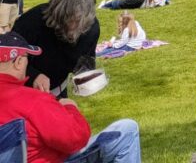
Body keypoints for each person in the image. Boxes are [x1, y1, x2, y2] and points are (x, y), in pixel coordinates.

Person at [0, 31, 143, 162]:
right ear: (18, 62)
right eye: (27, 58)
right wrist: (70, 107)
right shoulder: (32, 101)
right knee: (127, 130)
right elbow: (76, 139)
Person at [12, 0, 100, 97]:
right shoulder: (33, 20)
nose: (71, 28)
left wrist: (84, 74)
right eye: (66, 20)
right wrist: (34, 75)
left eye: (77, 22)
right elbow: (10, 56)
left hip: (58, 88)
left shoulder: (92, 28)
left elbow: (87, 57)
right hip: (25, 90)